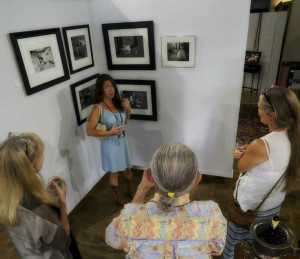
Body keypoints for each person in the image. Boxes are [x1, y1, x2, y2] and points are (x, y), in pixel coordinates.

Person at [106, 142, 227, 258]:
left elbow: (112, 239)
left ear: (150, 176)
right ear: (197, 179)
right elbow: (217, 249)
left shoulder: (129, 216)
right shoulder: (213, 214)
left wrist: (142, 188)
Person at [223, 86, 300, 258]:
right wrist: (251, 149)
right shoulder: (294, 137)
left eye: (258, 107)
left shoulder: (262, 145)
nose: (257, 111)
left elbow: (241, 167)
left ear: (271, 114)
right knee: (260, 246)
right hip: (273, 205)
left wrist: (240, 154)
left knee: (236, 247)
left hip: (251, 208)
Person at [0, 133, 81, 259]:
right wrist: (62, 202)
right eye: (41, 154)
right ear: (33, 166)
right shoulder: (39, 212)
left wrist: (45, 196)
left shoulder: (6, 200)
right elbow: (64, 239)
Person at [87, 74, 134, 206]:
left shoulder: (118, 103)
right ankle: (117, 196)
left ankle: (130, 188)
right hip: (111, 145)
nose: (111, 89)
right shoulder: (98, 108)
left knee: (128, 168)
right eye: (107, 87)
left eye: (112, 85)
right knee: (115, 172)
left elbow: (124, 122)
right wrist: (109, 132)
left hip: (122, 142)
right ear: (101, 89)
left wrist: (129, 110)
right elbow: (89, 131)